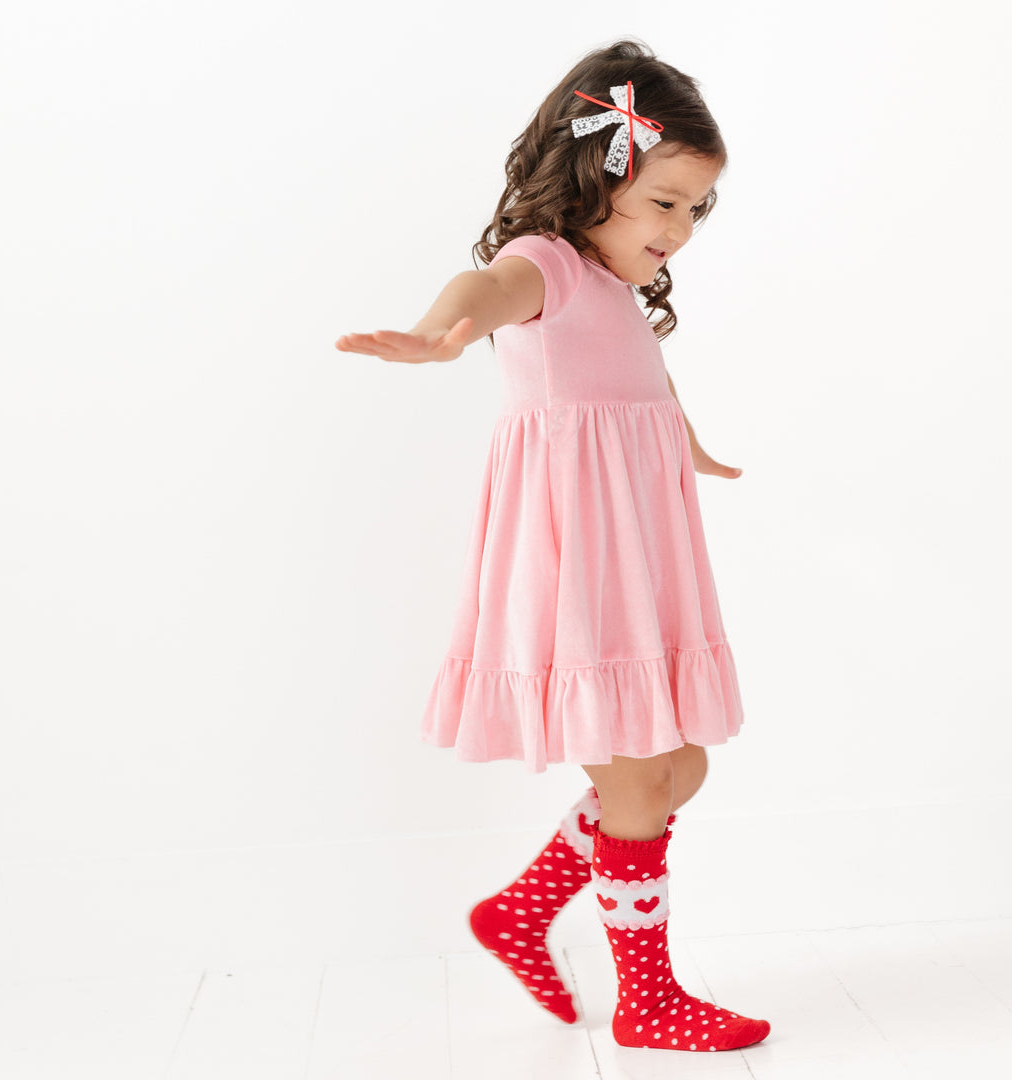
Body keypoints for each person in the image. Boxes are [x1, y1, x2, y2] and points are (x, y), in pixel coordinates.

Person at [334, 38, 770, 1053]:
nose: (683, 229)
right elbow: (480, 288)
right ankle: (648, 999)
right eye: (665, 202)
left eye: (697, 209)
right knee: (636, 773)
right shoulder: (550, 266)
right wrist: (437, 334)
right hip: (581, 571)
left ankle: (524, 910)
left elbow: (640, 393)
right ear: (596, 176)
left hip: (638, 553)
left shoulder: (614, 292)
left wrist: (687, 446)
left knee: (682, 765)